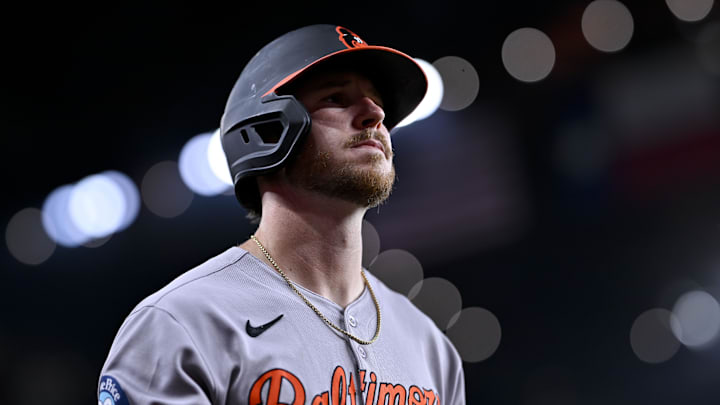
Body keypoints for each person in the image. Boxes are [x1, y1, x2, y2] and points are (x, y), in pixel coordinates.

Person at [98, 24, 465, 405]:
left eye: (378, 102)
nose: (375, 113)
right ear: (264, 130)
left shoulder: (430, 346)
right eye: (337, 98)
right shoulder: (182, 324)